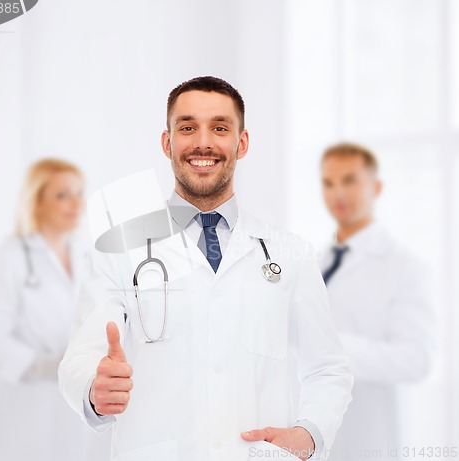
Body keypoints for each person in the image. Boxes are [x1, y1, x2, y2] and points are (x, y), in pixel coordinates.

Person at [58, 76, 353, 461]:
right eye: (187, 128)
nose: (203, 143)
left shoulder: (289, 252)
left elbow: (329, 368)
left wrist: (309, 434)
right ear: (167, 143)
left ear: (241, 143)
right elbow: (79, 360)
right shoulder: (117, 250)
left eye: (219, 128)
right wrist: (93, 390)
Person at [0, 158, 110, 461]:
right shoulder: (7, 256)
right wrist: (42, 365)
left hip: (78, 404)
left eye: (78, 193)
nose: (76, 203)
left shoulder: (86, 255)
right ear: (36, 203)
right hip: (30, 406)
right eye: (62, 195)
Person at [318, 143, 436, 461]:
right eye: (328, 183)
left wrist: (330, 348)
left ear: (377, 187)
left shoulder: (405, 267)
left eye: (350, 180)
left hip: (370, 440)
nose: (338, 193)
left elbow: (416, 360)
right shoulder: (316, 262)